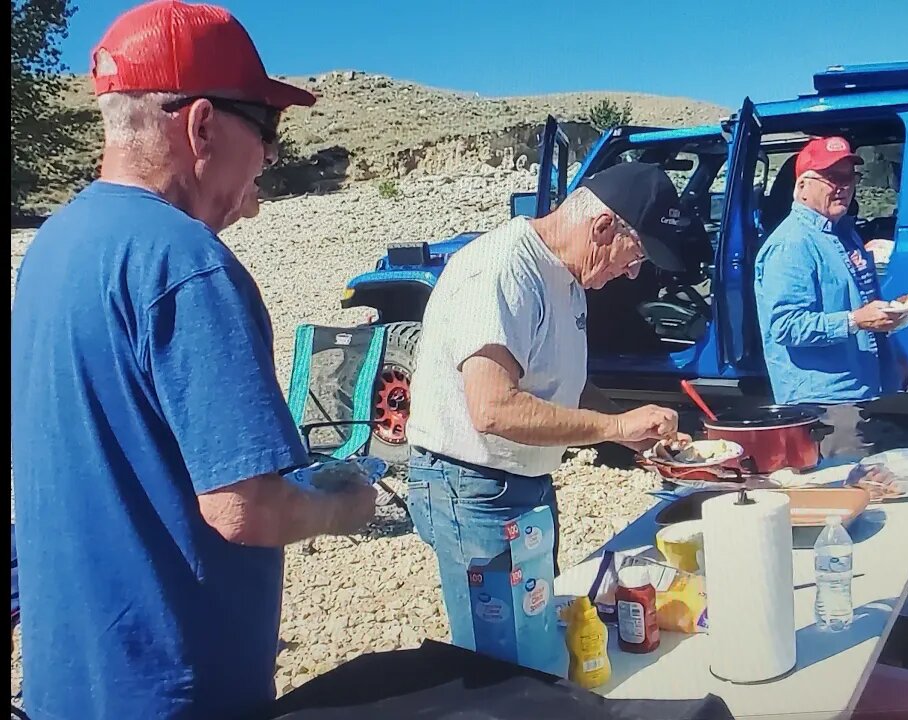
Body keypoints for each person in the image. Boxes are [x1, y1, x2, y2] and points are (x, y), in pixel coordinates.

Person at [9, 2, 377, 719]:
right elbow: (243, 508)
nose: (270, 157)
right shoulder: (187, 263)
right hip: (174, 691)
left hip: (69, 679)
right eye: (266, 131)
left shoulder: (53, 245)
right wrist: (341, 504)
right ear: (202, 124)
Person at [404, 161, 692, 650]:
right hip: (472, 487)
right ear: (603, 227)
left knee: (534, 636)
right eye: (636, 253)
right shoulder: (503, 268)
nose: (633, 271)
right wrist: (614, 425)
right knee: (498, 655)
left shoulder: (568, 278)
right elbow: (494, 409)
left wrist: (631, 434)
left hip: (523, 483)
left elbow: (565, 385)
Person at [754, 136, 908, 458]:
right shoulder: (792, 244)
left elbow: (868, 298)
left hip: (857, 390)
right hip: (824, 403)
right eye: (833, 178)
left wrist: (894, 352)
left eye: (849, 178)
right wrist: (855, 320)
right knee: (844, 492)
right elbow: (786, 326)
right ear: (802, 187)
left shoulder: (845, 234)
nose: (844, 186)